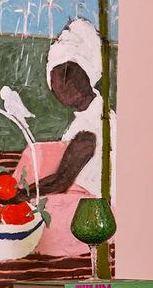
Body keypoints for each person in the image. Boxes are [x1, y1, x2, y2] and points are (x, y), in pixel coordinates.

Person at [13, 18, 117, 257]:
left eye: (70, 72)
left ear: (88, 75)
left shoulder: (94, 124)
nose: (63, 82)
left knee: (37, 215)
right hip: (82, 205)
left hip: (93, 214)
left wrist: (15, 197)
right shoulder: (84, 119)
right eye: (57, 75)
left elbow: (62, 180)